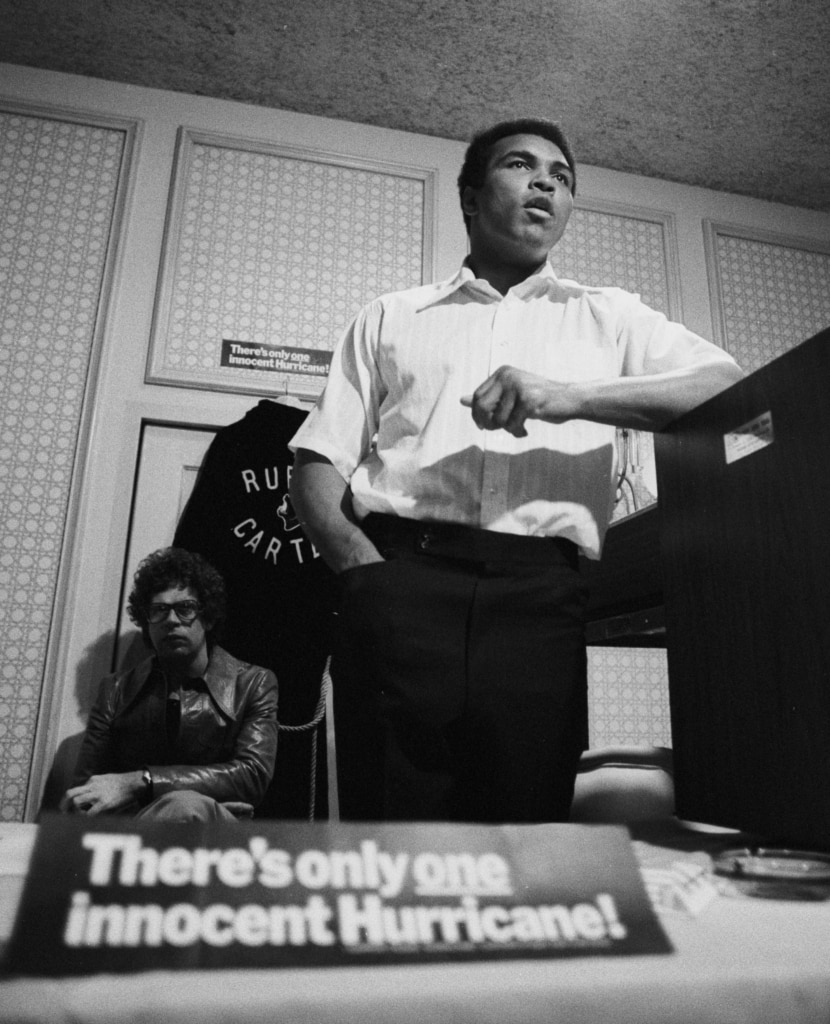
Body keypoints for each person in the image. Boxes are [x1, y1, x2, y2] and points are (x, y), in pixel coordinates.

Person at [289, 117, 743, 825]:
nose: (545, 183)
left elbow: (723, 388)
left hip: (543, 597)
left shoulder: (611, 316)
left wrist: (570, 397)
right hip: (401, 583)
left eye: (561, 177)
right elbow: (319, 462)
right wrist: (365, 576)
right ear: (470, 198)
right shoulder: (391, 316)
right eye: (521, 166)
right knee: (392, 836)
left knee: (525, 839)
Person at [61, 547, 279, 822]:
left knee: (185, 807)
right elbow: (85, 793)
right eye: (159, 610)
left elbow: (253, 774)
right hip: (135, 830)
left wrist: (139, 781)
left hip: (216, 837)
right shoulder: (116, 690)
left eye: (185, 609)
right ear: (146, 622)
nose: (171, 620)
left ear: (208, 617)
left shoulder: (252, 683)